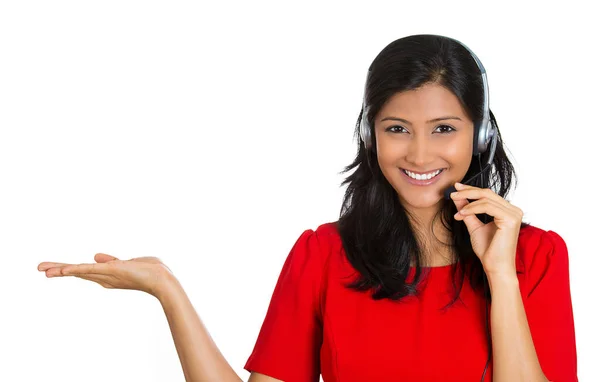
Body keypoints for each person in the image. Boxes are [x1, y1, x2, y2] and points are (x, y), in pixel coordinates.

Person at [37, 34, 578, 381]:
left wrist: (501, 277)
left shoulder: (537, 256)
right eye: (396, 129)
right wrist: (167, 289)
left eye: (443, 129)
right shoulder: (323, 253)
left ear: (480, 135)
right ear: (370, 135)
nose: (418, 153)